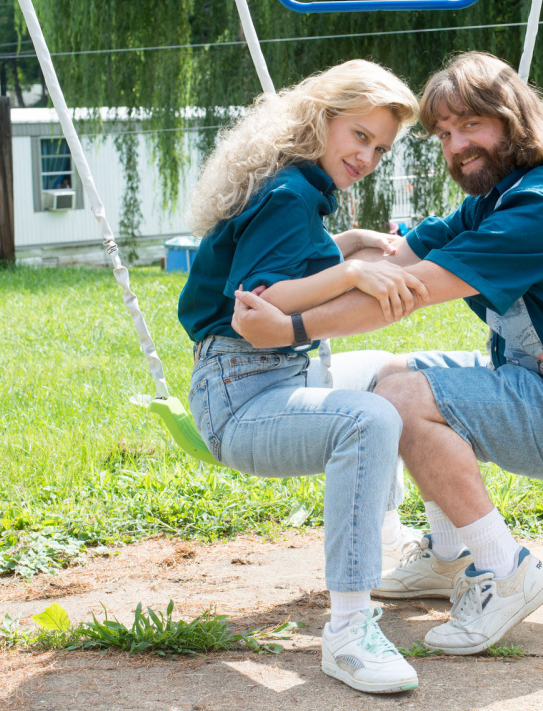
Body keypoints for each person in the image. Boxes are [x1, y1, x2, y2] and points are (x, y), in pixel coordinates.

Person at [232, 52, 543, 656]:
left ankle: (505, 570)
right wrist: (284, 274)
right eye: (444, 133)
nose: (456, 145)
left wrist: (291, 326)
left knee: (403, 397)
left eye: (471, 125)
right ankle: (447, 556)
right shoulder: (499, 200)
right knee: (395, 372)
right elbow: (397, 260)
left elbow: (410, 292)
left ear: (513, 121)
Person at [178, 59, 427, 694]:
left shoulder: (296, 189)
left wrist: (347, 244)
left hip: (258, 383)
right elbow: (260, 299)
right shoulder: (290, 195)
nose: (369, 155)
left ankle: (411, 544)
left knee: (398, 376)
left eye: (382, 146)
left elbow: (288, 257)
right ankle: (347, 630)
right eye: (360, 136)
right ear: (321, 121)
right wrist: (348, 274)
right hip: (239, 396)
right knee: (369, 417)